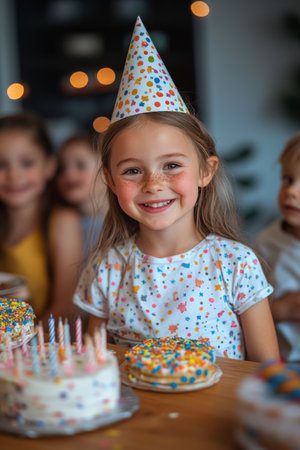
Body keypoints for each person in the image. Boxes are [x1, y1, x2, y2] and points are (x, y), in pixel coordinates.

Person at [74, 16, 279, 362]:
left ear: (205, 171)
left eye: (171, 166)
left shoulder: (235, 264)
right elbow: (93, 365)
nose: (153, 184)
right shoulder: (108, 267)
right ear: (110, 180)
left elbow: (265, 371)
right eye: (133, 170)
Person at [0, 111, 83, 326]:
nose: (13, 175)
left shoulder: (62, 221)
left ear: (49, 167)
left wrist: (20, 339)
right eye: (1, 165)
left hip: (40, 344)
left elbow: (67, 307)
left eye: (27, 163)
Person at [254, 132, 300, 362]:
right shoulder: (267, 243)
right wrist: (283, 309)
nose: (292, 191)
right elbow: (251, 310)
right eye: (288, 179)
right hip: (284, 362)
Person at [56, 133, 107, 261]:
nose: (69, 173)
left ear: (106, 172)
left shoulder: (119, 224)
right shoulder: (63, 222)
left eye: (80, 165)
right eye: (62, 168)